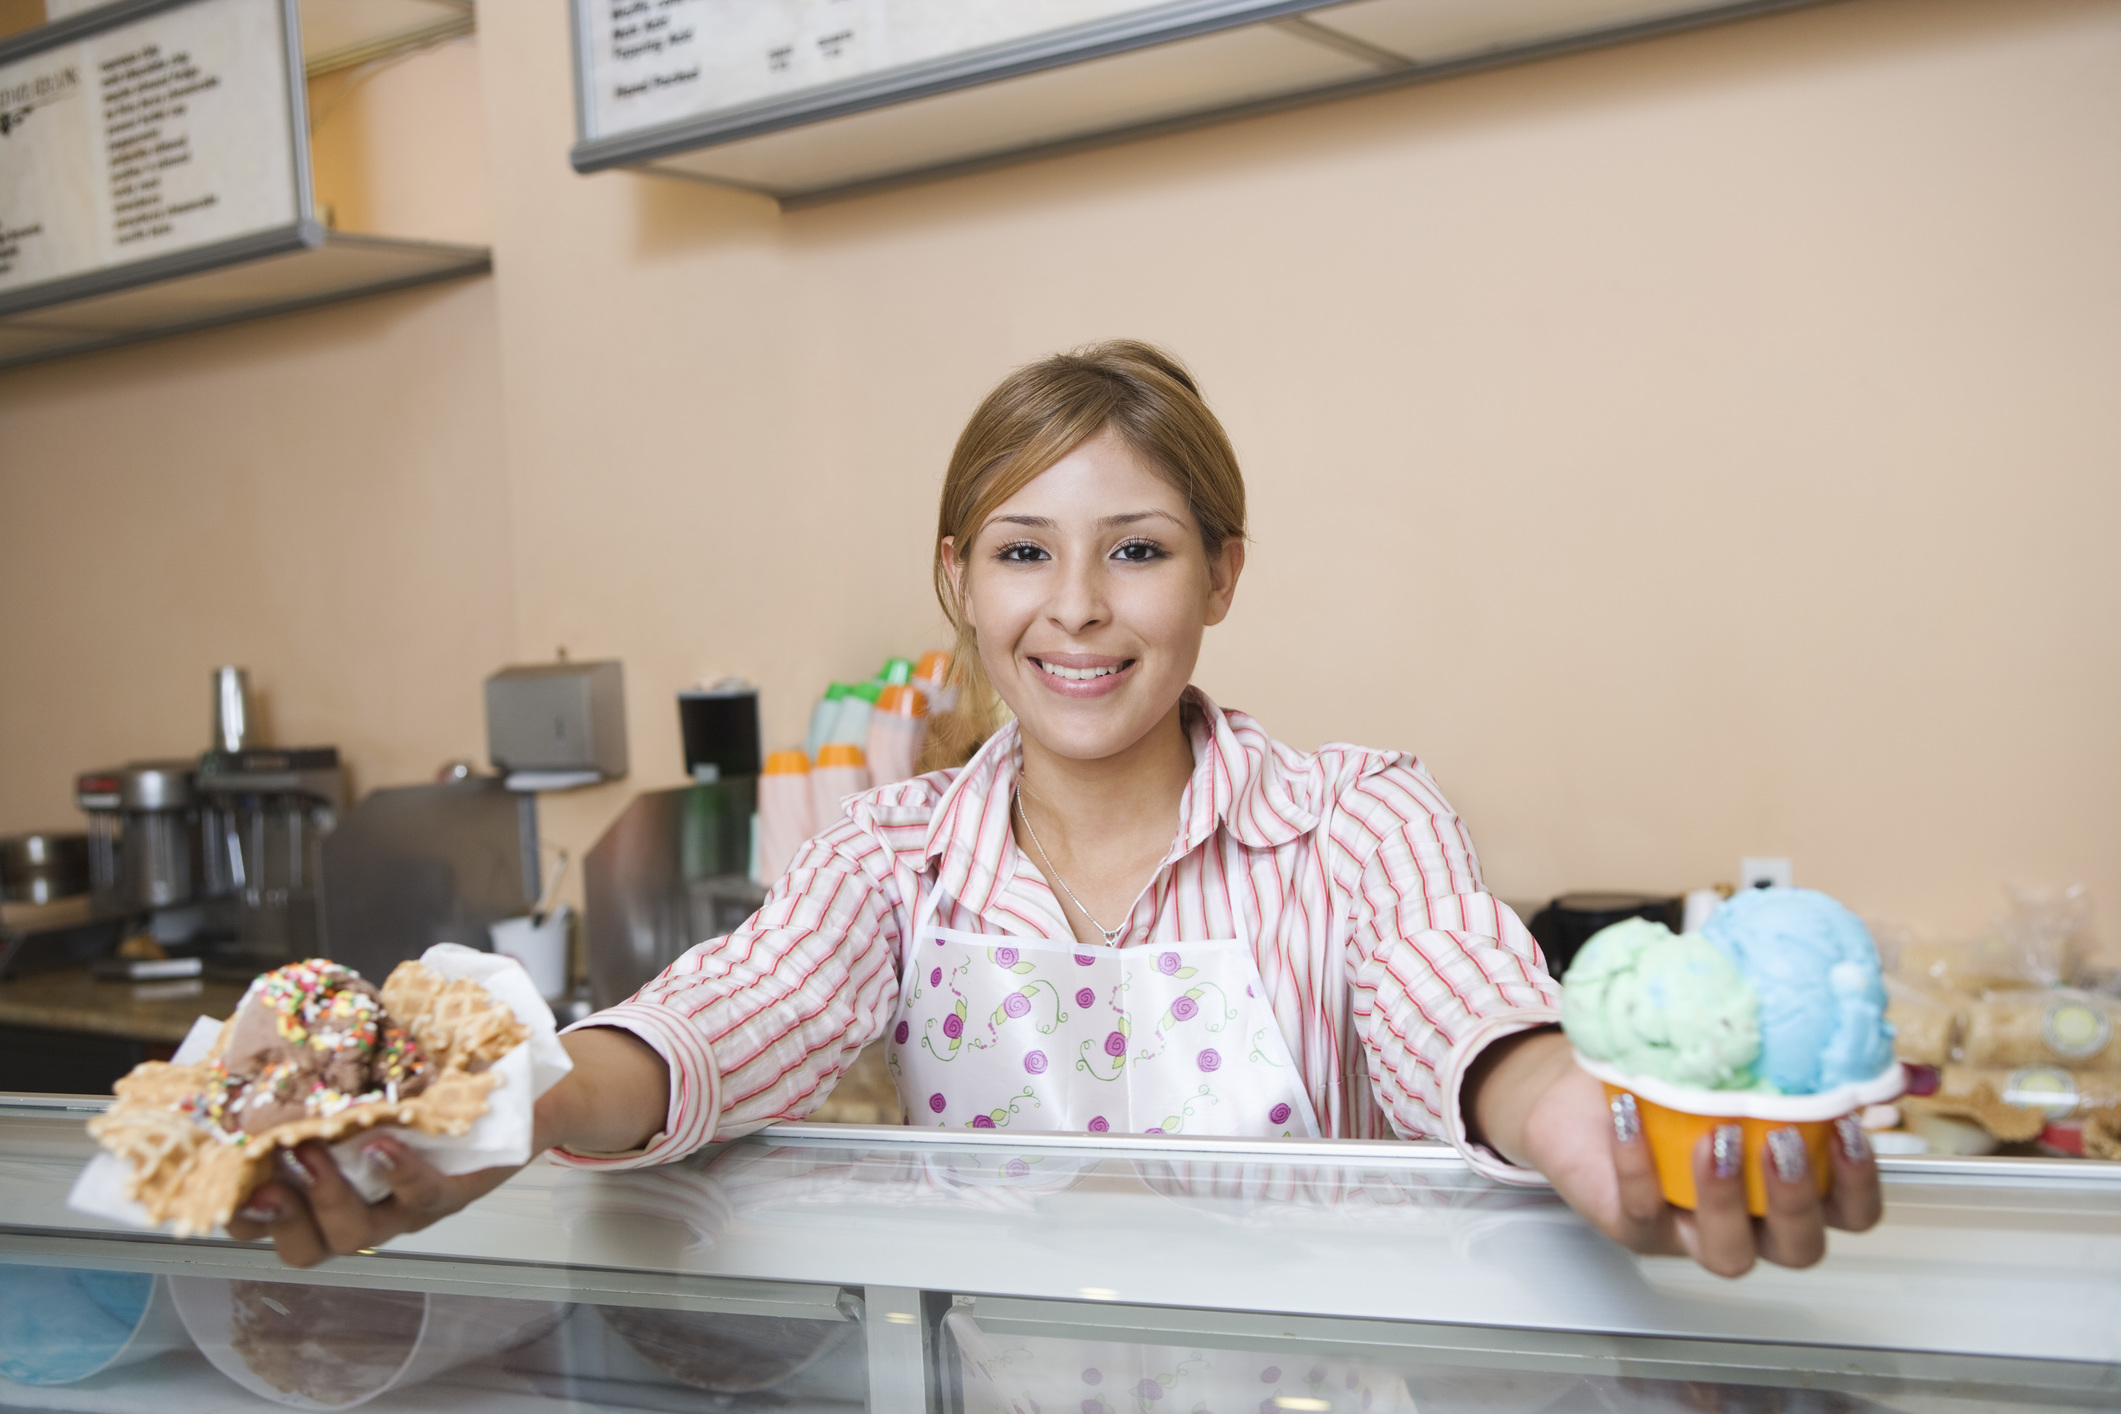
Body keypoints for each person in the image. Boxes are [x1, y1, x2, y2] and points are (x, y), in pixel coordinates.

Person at [233, 340, 1880, 1276]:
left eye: (1138, 549)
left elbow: (1475, 1016)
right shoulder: (892, 856)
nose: (1076, 607)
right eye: (1022, 550)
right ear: (956, 580)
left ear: (1221, 577)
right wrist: (496, 1090)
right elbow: (717, 1023)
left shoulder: (1357, 817)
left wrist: (1575, 1127)